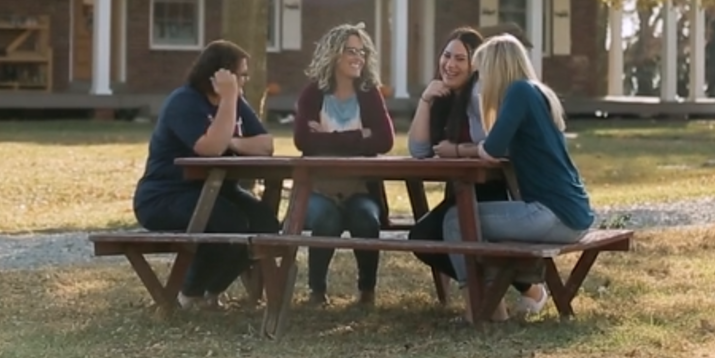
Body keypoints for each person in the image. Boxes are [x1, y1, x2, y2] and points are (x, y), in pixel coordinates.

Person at [442, 33, 596, 322]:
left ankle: (478, 310)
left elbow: (491, 149)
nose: (480, 83)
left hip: (553, 214)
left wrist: (457, 150)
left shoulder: (519, 92)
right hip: (572, 213)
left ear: (497, 69)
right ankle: (492, 306)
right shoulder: (537, 92)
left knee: (455, 220)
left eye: (483, 73)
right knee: (468, 221)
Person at [405, 27, 546, 314]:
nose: (450, 64)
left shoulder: (482, 94)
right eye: (447, 56)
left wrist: (458, 150)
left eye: (460, 59)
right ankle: (505, 296)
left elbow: (494, 145)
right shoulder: (443, 96)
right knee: (424, 237)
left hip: (492, 188)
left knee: (431, 235)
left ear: (476, 65)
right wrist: (426, 99)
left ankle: (491, 304)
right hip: (460, 188)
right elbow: (419, 151)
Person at [133, 40, 280, 311]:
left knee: (265, 224)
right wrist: (228, 100)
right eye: (241, 75)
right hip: (167, 194)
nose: (245, 81)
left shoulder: (236, 103)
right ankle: (189, 293)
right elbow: (210, 149)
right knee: (230, 223)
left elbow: (265, 145)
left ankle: (211, 292)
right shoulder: (184, 102)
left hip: (219, 191)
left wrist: (231, 141)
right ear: (220, 76)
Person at [292, 23, 395, 307]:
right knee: (327, 219)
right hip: (317, 189)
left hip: (360, 189)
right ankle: (317, 291)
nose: (358, 57)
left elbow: (385, 140)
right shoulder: (312, 94)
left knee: (366, 219)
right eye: (351, 51)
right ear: (334, 53)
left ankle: (367, 291)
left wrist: (327, 137)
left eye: (362, 52)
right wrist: (360, 136)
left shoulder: (369, 94)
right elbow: (303, 140)